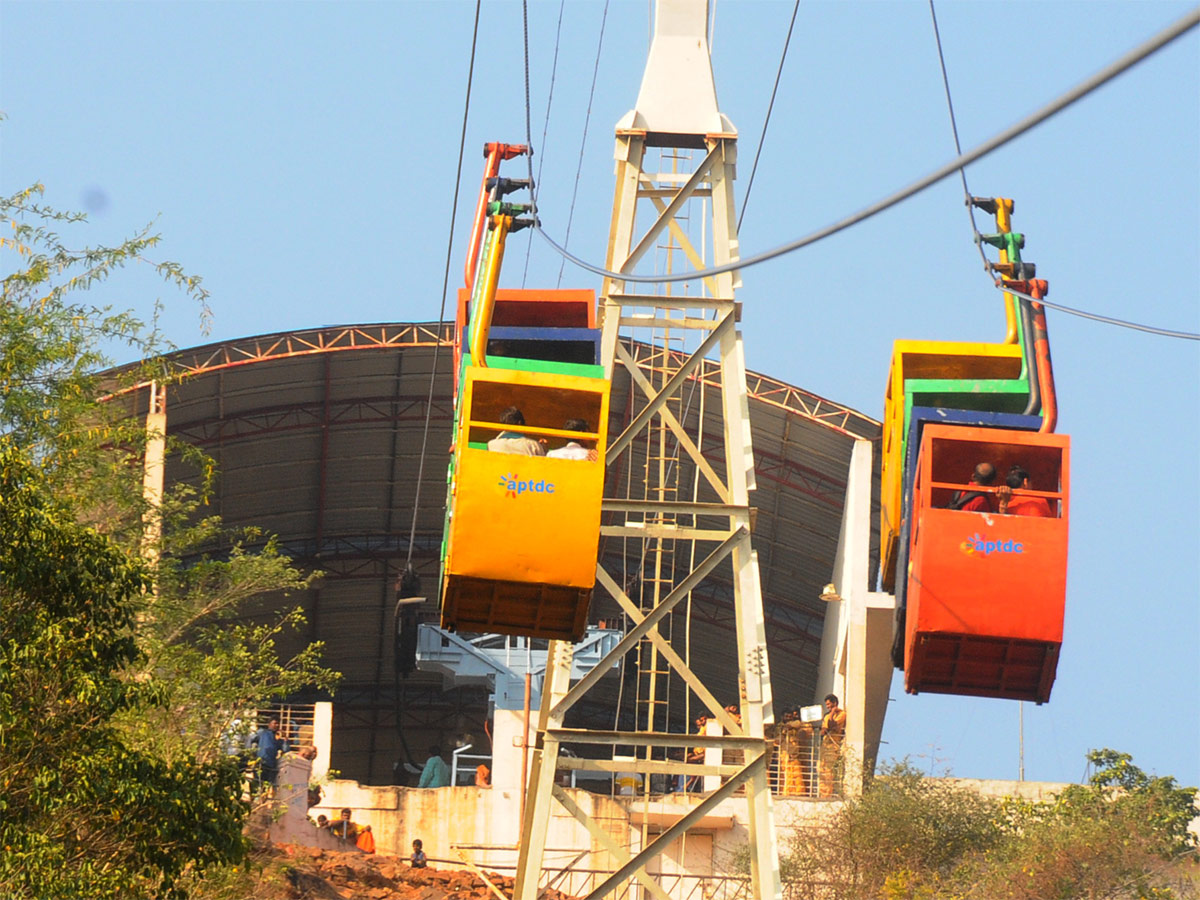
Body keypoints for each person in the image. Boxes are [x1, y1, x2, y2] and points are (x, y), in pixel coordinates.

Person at [818, 693, 846, 798]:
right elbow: (823, 731)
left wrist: (833, 712)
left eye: (829, 704)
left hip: (833, 746)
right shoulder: (826, 716)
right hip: (825, 746)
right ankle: (822, 793)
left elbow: (831, 725)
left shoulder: (842, 714)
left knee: (829, 770)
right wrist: (827, 727)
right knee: (821, 770)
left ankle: (827, 794)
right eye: (827, 705)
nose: (828, 707)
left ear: (835, 703)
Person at [251, 718, 283, 792]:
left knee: (266, 787)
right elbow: (251, 740)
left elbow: (285, 749)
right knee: (256, 783)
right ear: (269, 724)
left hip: (271, 765)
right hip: (260, 763)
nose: (277, 725)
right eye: (275, 723)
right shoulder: (262, 733)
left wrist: (285, 739)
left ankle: (262, 800)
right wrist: (252, 754)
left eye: (278, 724)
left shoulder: (277, 738)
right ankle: (254, 800)